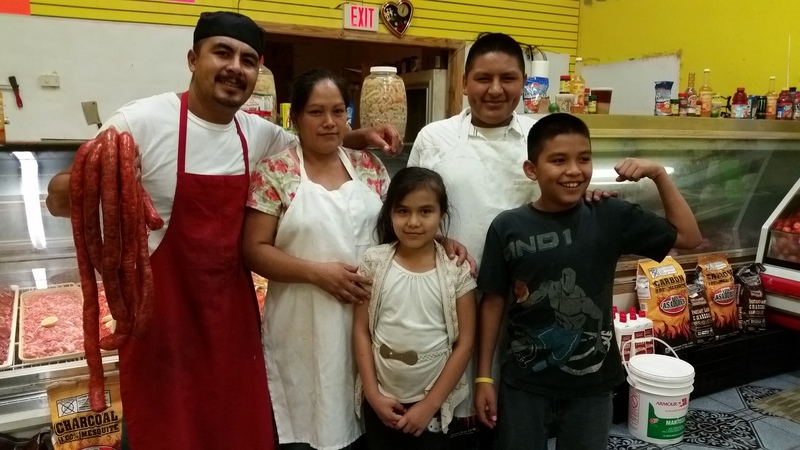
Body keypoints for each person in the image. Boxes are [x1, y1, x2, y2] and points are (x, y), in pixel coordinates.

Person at [44, 12, 400, 450]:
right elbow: (57, 199)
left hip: (232, 320)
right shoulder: (141, 121)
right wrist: (109, 179)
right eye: (222, 53)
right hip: (160, 321)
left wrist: (360, 135)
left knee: (236, 432)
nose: (235, 67)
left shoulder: (257, 134)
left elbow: (316, 141)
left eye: (248, 60)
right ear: (193, 59)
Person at [407, 32, 610, 448]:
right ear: (465, 82)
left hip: (524, 301)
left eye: (508, 78)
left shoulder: (541, 138)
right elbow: (410, 205)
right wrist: (438, 238)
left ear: (524, 83)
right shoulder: (435, 138)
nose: (495, 90)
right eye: (483, 78)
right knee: (444, 404)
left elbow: (564, 196)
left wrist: (588, 196)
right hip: (449, 295)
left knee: (513, 407)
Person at [474, 113, 702, 449]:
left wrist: (657, 174)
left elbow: (689, 237)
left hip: (592, 387)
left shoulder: (609, 214)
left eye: (584, 159)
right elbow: (493, 301)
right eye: (558, 160)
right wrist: (483, 376)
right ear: (531, 169)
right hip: (523, 385)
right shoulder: (508, 226)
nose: (574, 170)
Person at [353, 167, 476, 450]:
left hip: (432, 406)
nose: (413, 222)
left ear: (442, 214)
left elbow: (465, 344)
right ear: (390, 214)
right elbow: (361, 331)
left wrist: (430, 404)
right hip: (381, 401)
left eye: (425, 211)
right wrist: (373, 394)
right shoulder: (374, 262)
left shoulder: (456, 272)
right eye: (403, 211)